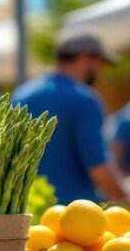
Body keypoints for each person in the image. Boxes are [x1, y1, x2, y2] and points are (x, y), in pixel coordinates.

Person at [11, 33, 126, 203]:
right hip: (74, 216)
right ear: (86, 57)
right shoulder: (85, 99)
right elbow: (99, 167)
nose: (100, 71)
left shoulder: (21, 95)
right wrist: (124, 198)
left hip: (27, 211)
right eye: (100, 63)